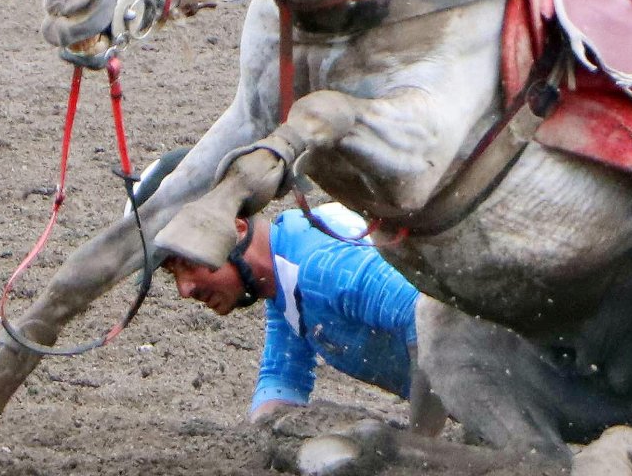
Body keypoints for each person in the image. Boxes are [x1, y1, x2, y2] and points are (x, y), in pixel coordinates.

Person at [129, 149, 445, 435]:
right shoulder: (284, 277)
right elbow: (282, 380)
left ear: (236, 228)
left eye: (187, 262)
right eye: (173, 274)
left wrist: (422, 448)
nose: (184, 289)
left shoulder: (319, 267)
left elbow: (428, 319)